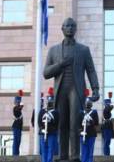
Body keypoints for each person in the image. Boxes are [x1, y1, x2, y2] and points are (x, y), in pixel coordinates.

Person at [43, 18, 100, 162]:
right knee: (62, 123)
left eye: (72, 26)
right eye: (67, 26)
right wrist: (60, 65)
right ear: (62, 28)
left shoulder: (83, 50)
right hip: (61, 89)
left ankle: (74, 156)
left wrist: (95, 88)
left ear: (76, 29)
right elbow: (46, 73)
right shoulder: (54, 50)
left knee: (75, 123)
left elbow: (91, 70)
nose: (70, 28)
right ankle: (63, 155)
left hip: (76, 89)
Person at [39, 87, 59, 162]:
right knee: (44, 149)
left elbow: (57, 123)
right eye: (48, 101)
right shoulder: (42, 111)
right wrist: (43, 128)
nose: (49, 102)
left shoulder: (55, 112)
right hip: (43, 132)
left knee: (50, 149)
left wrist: (51, 127)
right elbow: (39, 122)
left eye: (51, 101)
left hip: (51, 133)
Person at [79, 89, 99, 162]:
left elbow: (96, 123)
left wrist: (91, 121)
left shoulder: (94, 112)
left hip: (91, 134)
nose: (88, 104)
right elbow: (78, 124)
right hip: (84, 134)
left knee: (89, 152)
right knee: (85, 152)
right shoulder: (81, 113)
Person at [12, 90, 24, 156]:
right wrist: (20, 106)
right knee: (16, 140)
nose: (18, 103)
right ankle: (15, 154)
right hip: (16, 126)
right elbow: (17, 110)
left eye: (19, 102)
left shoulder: (19, 108)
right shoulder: (15, 108)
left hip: (19, 127)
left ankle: (17, 153)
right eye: (17, 102)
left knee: (18, 141)